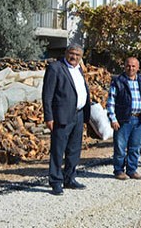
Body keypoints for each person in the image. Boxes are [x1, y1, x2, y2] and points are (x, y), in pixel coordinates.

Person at [42, 44, 91, 195]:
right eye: (72, 53)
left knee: (74, 150)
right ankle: (56, 181)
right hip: (61, 116)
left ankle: (69, 178)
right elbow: (47, 95)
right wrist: (49, 117)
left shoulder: (79, 69)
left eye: (77, 55)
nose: (74, 57)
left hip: (78, 114)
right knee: (58, 150)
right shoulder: (55, 68)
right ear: (66, 53)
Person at [106, 57, 141, 180]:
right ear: (124, 66)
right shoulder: (118, 81)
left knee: (135, 147)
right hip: (123, 119)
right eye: (128, 66)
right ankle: (119, 170)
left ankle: (132, 170)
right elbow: (111, 102)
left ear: (138, 68)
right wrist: (113, 119)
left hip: (138, 119)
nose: (131, 68)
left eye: (133, 66)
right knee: (120, 147)